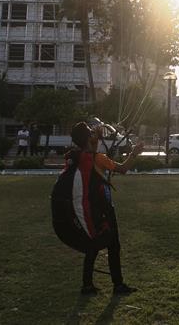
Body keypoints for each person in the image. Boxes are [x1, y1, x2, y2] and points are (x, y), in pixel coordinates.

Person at [68, 121, 144, 295]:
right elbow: (123, 169)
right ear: (88, 138)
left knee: (92, 245)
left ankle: (87, 285)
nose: (94, 133)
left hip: (89, 208)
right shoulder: (98, 159)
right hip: (105, 208)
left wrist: (96, 138)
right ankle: (118, 285)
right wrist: (134, 153)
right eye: (91, 133)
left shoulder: (79, 157)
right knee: (114, 246)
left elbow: (91, 151)